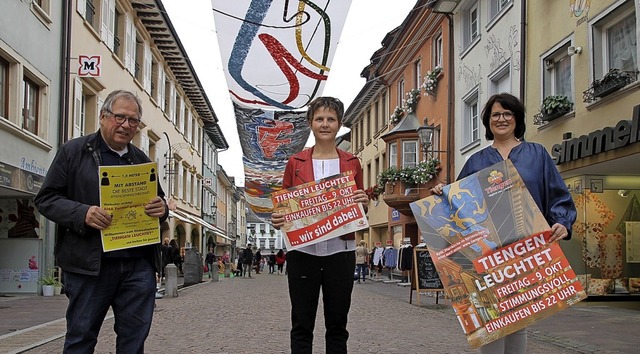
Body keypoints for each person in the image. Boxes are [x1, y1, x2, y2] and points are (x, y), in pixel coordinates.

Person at [430, 93, 576, 354]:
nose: (501, 119)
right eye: (495, 114)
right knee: (492, 316)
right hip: (488, 250)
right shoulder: (476, 160)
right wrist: (444, 192)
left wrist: (562, 222)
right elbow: (460, 199)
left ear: (517, 118)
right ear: (487, 121)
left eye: (507, 113)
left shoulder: (537, 154)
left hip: (526, 248)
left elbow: (557, 194)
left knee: (520, 315)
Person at [34, 90, 169, 353]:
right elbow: (46, 199)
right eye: (120, 117)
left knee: (133, 342)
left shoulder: (141, 160)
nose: (126, 125)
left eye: (133, 121)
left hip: (137, 266)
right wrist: (82, 213)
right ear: (103, 116)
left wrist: (161, 208)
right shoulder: (74, 152)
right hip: (90, 266)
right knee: (81, 339)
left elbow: (159, 204)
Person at [271, 96, 369, 353]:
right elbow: (284, 204)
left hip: (341, 250)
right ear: (310, 123)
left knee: (338, 325)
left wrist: (363, 200)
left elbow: (359, 204)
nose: (325, 124)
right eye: (319, 119)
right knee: (302, 324)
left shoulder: (352, 162)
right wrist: (278, 216)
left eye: (331, 119)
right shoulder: (296, 162)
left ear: (339, 124)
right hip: (304, 251)